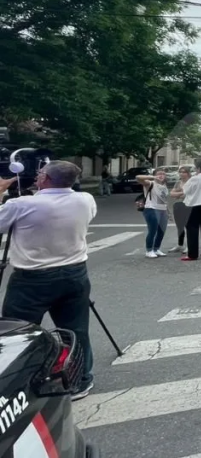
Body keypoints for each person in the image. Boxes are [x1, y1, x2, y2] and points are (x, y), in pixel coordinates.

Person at [0, 161, 96, 399]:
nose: (37, 176)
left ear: (45, 179)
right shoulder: (85, 200)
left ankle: (18, 385)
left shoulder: (21, 204)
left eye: (40, 173)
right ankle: (80, 380)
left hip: (33, 279)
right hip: (75, 273)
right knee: (76, 329)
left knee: (18, 332)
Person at [136, 169, 170, 257]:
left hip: (163, 210)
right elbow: (138, 177)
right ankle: (149, 250)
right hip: (152, 209)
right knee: (152, 230)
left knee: (161, 231)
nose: (161, 176)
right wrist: (153, 177)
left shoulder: (164, 186)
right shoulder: (150, 183)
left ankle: (156, 248)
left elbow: (165, 200)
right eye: (159, 174)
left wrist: (168, 212)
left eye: (163, 174)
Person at [168, 167, 192, 254]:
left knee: (189, 226)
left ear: (188, 173)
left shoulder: (191, 182)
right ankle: (180, 244)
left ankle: (189, 245)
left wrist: (178, 194)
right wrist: (181, 193)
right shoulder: (178, 183)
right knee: (180, 226)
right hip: (178, 205)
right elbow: (171, 194)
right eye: (180, 172)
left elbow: (190, 194)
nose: (182, 174)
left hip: (189, 205)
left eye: (184, 172)